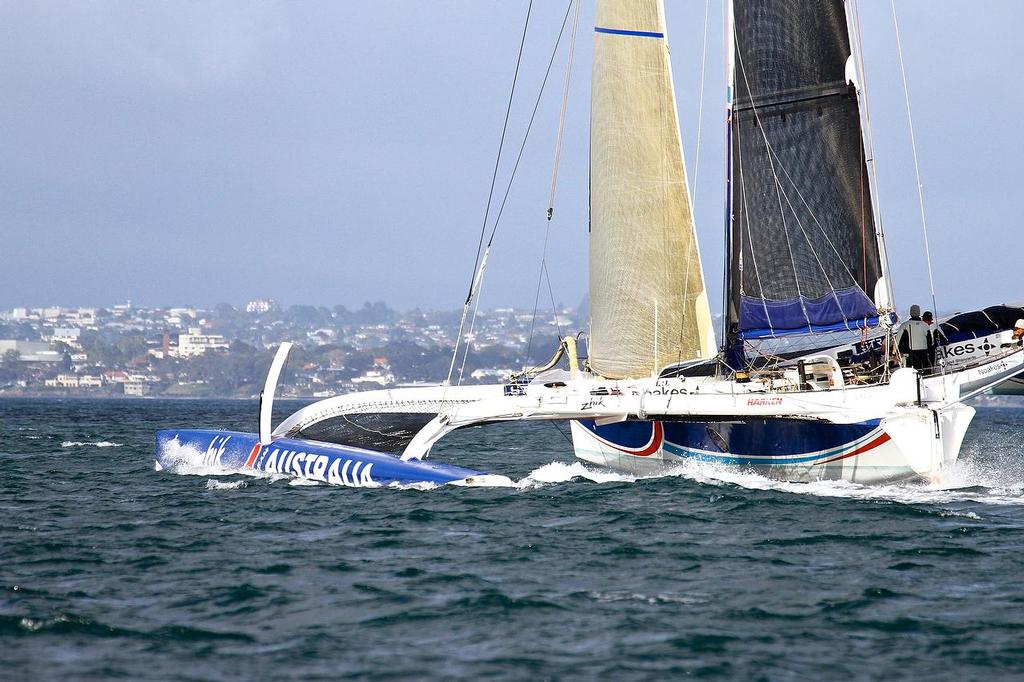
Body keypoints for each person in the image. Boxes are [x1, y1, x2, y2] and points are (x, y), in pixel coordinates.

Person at [896, 304, 934, 371]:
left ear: (910, 313)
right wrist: (929, 351)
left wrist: (895, 353)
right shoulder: (925, 325)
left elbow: (897, 341)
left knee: (912, 373)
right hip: (924, 353)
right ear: (919, 313)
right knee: (926, 371)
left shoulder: (904, 325)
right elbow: (930, 341)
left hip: (910, 354)